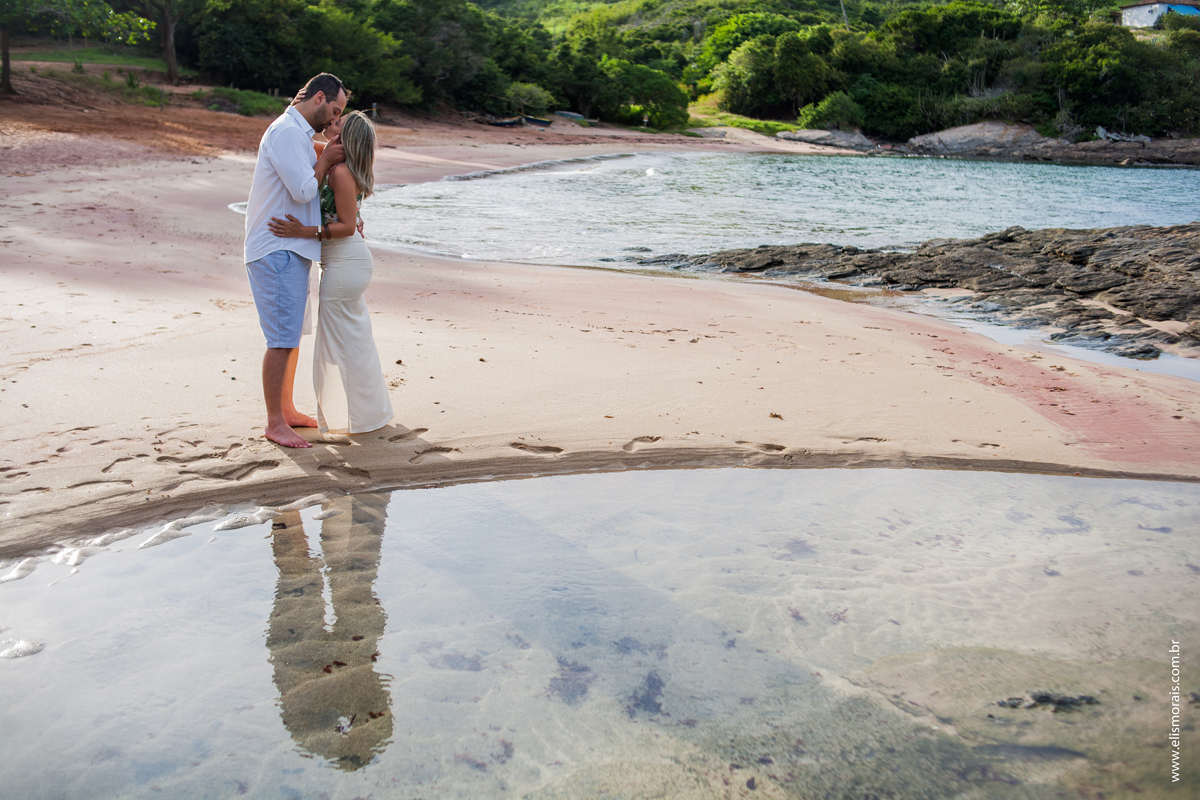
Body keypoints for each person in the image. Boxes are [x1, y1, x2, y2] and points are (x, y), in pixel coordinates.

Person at [268, 110, 393, 435]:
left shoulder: (339, 172)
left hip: (345, 263)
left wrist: (302, 231)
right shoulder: (334, 162)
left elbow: (348, 227)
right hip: (344, 264)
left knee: (342, 344)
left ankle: (358, 419)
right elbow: (297, 145)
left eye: (336, 124)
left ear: (344, 138)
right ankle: (368, 415)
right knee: (353, 341)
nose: (328, 125)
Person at [243, 72, 348, 448]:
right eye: (334, 110)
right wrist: (329, 157)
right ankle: (274, 422)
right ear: (319, 98)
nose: (333, 119)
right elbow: (304, 189)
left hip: (290, 249)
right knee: (281, 340)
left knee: (291, 337)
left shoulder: (300, 135)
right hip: (275, 249)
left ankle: (285, 410)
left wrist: (330, 148)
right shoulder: (287, 132)